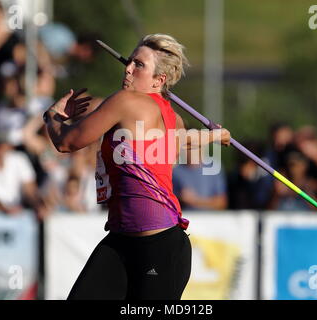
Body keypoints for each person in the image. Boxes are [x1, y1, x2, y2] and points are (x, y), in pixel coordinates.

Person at [43, 34, 231, 300]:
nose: (128, 68)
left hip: (158, 248)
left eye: (139, 65)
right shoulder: (173, 117)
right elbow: (181, 141)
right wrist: (215, 135)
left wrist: (51, 116)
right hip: (123, 242)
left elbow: (66, 141)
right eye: (130, 61)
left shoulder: (126, 101)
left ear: (159, 80)